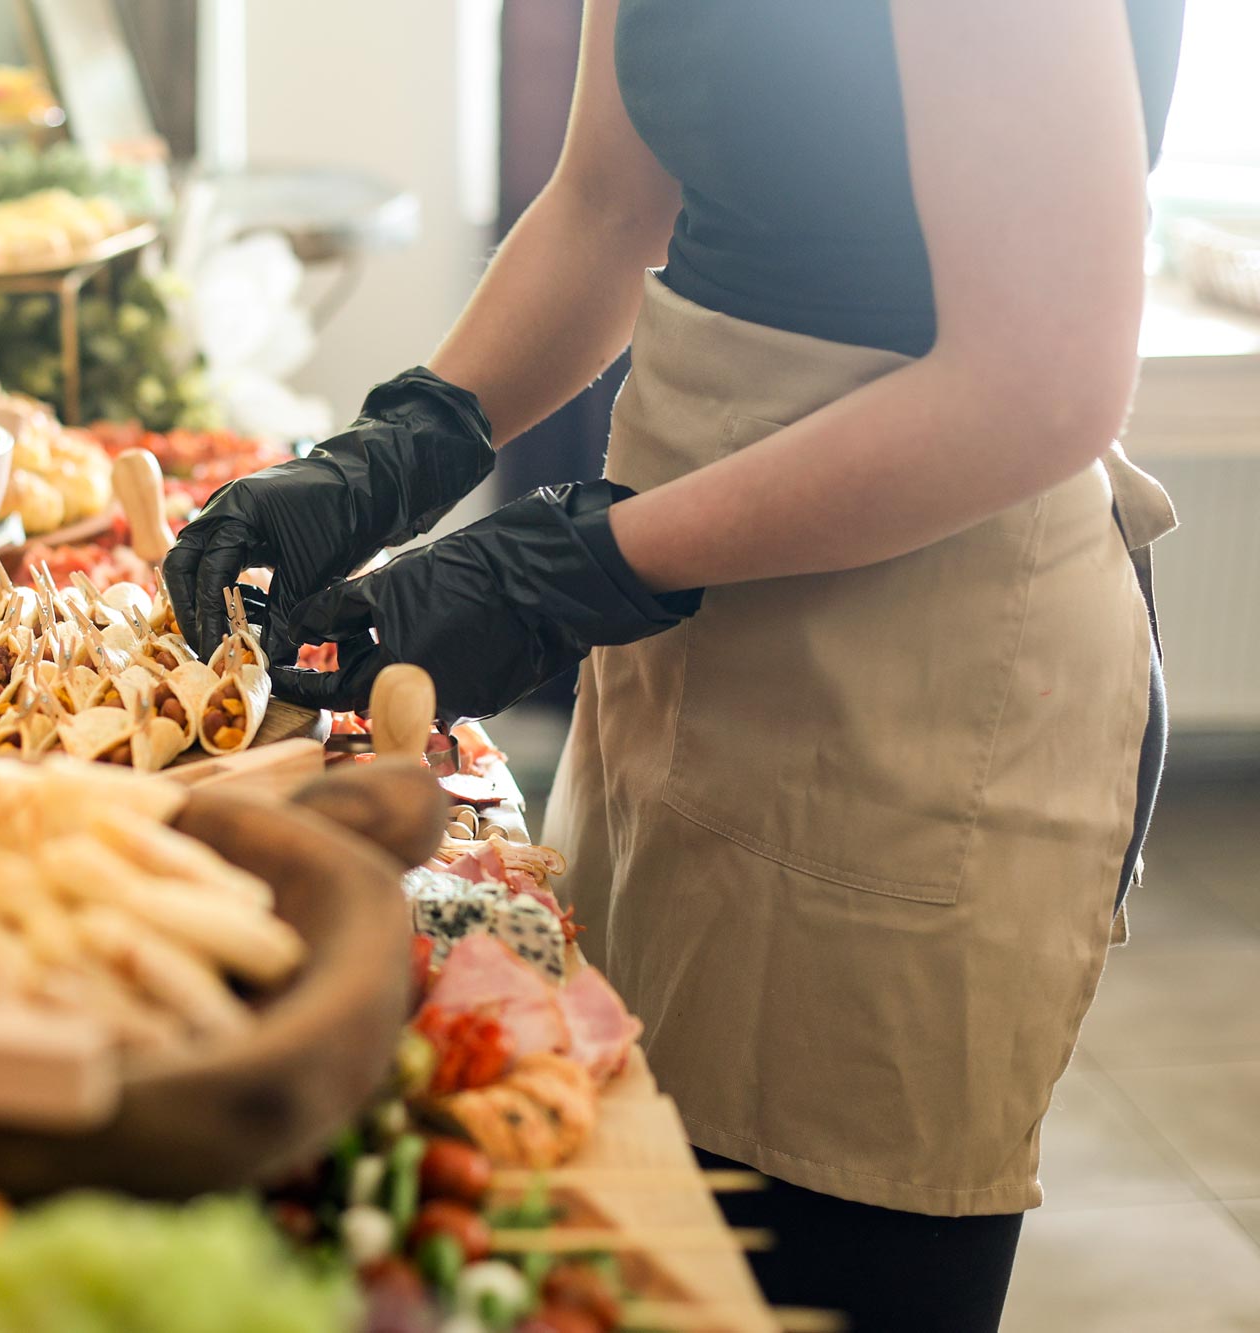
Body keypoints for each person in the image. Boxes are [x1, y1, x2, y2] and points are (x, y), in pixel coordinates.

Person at [163, 2, 1184, 1328]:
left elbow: (1041, 382)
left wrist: (562, 566)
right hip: (679, 579)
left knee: (807, 1259)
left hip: (919, 644)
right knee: (641, 1188)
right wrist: (397, 450)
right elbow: (602, 204)